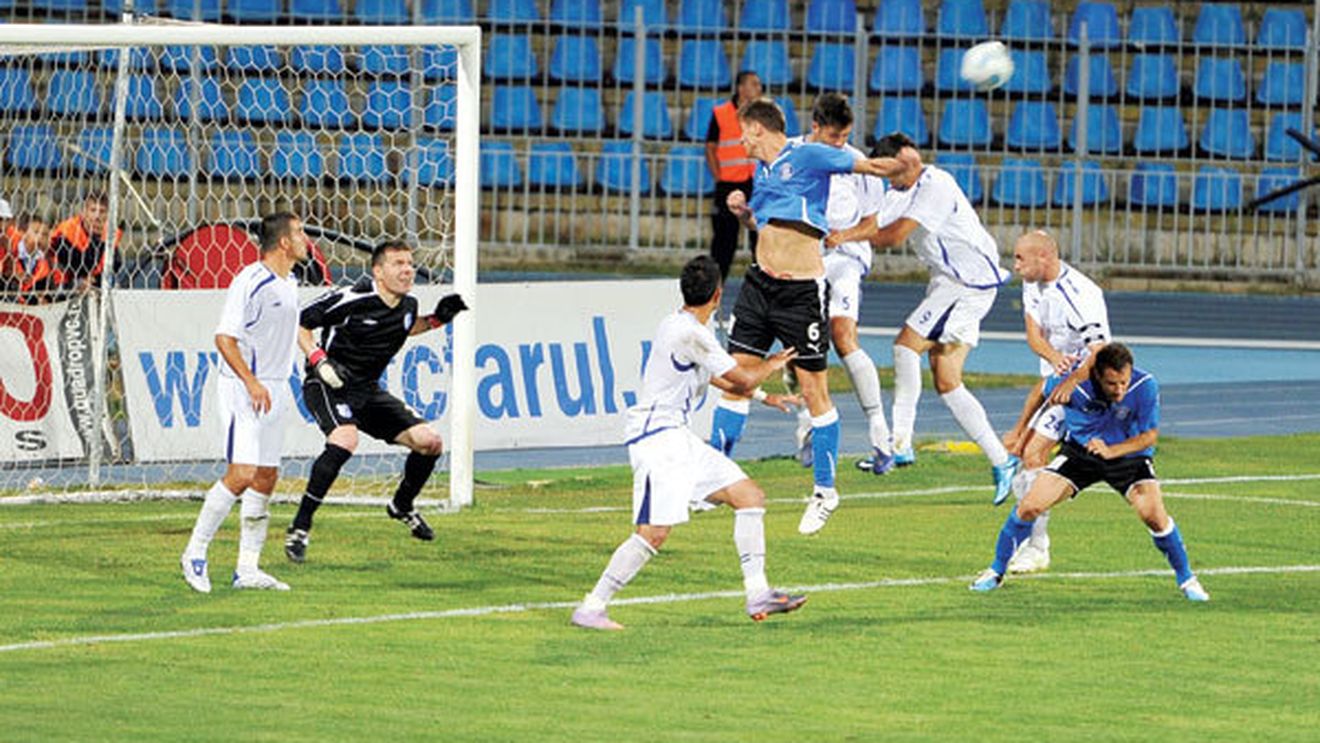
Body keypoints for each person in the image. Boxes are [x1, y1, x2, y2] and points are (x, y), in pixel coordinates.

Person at [571, 255, 805, 631]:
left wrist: (766, 398)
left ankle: (758, 592)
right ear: (718, 294)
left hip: (678, 438)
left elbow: (717, 378)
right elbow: (741, 378)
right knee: (653, 533)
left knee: (749, 495)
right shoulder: (690, 333)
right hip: (658, 441)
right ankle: (592, 606)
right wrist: (772, 364)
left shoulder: (681, 327)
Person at [706, 98, 905, 536]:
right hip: (759, 284)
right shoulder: (762, 171)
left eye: (744, 133)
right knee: (736, 379)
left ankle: (824, 491)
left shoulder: (810, 154)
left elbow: (869, 169)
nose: (741, 141)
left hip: (800, 292)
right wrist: (743, 213)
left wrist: (903, 165)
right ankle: (713, 477)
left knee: (815, 390)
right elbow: (766, 224)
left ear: (758, 129)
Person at [970, 343, 1210, 602]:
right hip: (1080, 455)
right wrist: (1019, 430)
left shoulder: (1144, 386)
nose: (1119, 390)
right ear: (1096, 374)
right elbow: (1040, 391)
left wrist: (1112, 450)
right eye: (1111, 384)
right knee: (1029, 506)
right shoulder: (1073, 385)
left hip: (1128, 456)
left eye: (1123, 382)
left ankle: (1187, 579)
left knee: (1153, 514)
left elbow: (1149, 436)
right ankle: (995, 571)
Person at [855, 132, 1020, 503]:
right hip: (951, 282)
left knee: (905, 347)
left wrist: (844, 238)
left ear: (906, 160)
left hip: (968, 284)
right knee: (947, 381)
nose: (890, 182)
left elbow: (894, 235)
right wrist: (835, 233)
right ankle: (1001, 460)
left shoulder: (937, 184)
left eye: (892, 173)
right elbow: (871, 224)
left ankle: (899, 443)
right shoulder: (899, 191)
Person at [283, 240, 468, 562]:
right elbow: (300, 323)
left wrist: (438, 319)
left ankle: (402, 505)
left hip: (367, 390)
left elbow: (408, 328)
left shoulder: (407, 306)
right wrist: (319, 360)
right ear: (378, 271)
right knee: (345, 440)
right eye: (398, 263)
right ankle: (300, 527)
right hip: (327, 383)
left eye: (410, 263)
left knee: (430, 442)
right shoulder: (352, 297)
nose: (408, 269)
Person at [180, 212, 309, 593]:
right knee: (242, 473)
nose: (306, 239)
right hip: (243, 388)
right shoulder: (250, 281)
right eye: (300, 232)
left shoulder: (291, 283)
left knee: (267, 476)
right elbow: (224, 338)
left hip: (276, 387)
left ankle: (247, 569)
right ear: (283, 242)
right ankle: (194, 552)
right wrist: (251, 381)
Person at [997, 230, 1111, 574]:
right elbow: (1034, 335)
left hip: (1086, 388)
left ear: (1043, 258)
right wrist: (1054, 356)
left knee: (1033, 455)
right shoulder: (1033, 284)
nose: (1015, 266)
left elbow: (1101, 352)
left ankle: (1037, 548)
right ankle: (1038, 525)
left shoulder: (1082, 295)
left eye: (1020, 258)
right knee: (1023, 467)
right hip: (1055, 384)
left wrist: (1073, 378)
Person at [705, 70, 762, 280]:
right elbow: (710, 147)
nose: (759, 89)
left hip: (755, 183)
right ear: (741, 88)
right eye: (754, 84)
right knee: (723, 241)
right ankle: (714, 288)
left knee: (760, 238)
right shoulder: (721, 113)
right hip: (728, 183)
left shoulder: (761, 115)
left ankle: (764, 289)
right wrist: (718, 176)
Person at [49, 191, 120, 293]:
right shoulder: (69, 229)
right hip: (57, 285)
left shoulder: (109, 233)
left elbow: (115, 264)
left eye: (102, 211)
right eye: (93, 210)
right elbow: (71, 262)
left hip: (92, 284)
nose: (97, 216)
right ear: (84, 212)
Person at [3, 213, 54, 304]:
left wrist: (45, 299)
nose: (40, 237)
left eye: (45, 234)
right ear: (22, 233)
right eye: (36, 232)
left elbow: (49, 291)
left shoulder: (46, 262)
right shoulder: (9, 254)